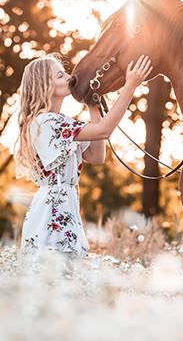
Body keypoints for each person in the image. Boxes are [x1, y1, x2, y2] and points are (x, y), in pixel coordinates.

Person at [14, 53, 152, 269]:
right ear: (45, 86)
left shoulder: (61, 123)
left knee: (62, 279)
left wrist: (92, 104)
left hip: (63, 204)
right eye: (61, 75)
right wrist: (130, 86)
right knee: (58, 278)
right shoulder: (48, 123)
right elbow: (103, 131)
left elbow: (96, 157)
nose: (69, 77)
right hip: (54, 211)